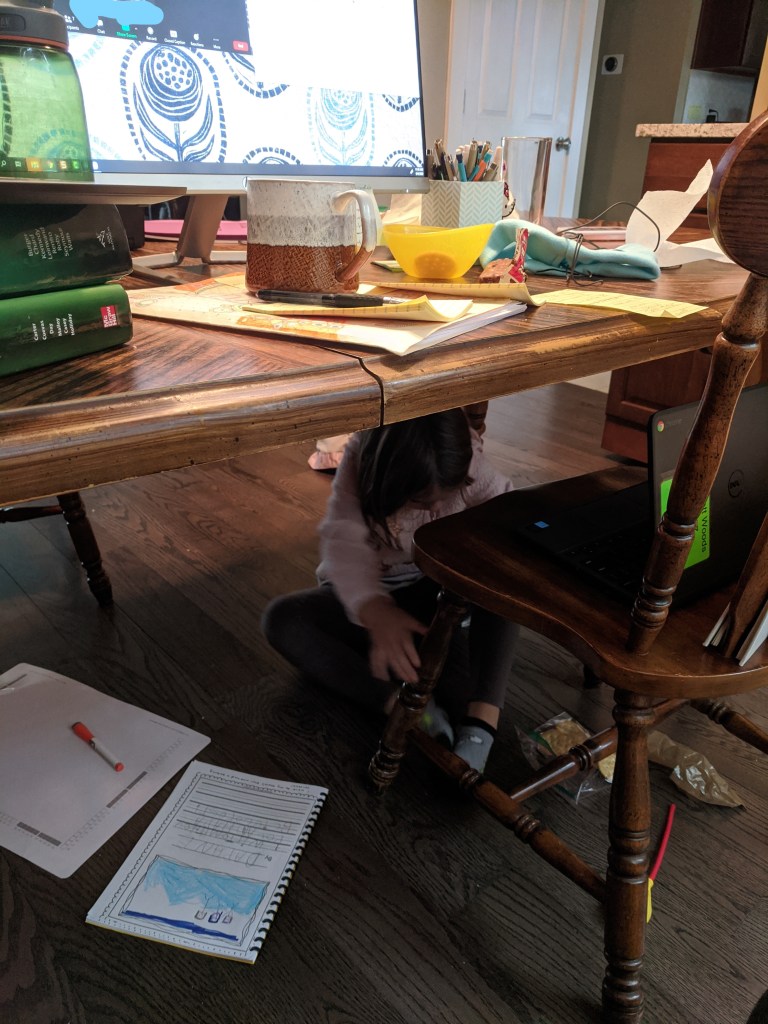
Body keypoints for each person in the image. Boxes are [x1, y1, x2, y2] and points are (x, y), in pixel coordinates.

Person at [262, 407, 519, 772]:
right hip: (366, 602)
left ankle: (481, 725)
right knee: (282, 619)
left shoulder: (469, 464)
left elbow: (510, 517)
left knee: (505, 587)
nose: (435, 508)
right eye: (420, 501)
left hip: (434, 597)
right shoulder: (360, 462)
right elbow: (343, 541)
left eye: (447, 495)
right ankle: (399, 704)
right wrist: (375, 610)